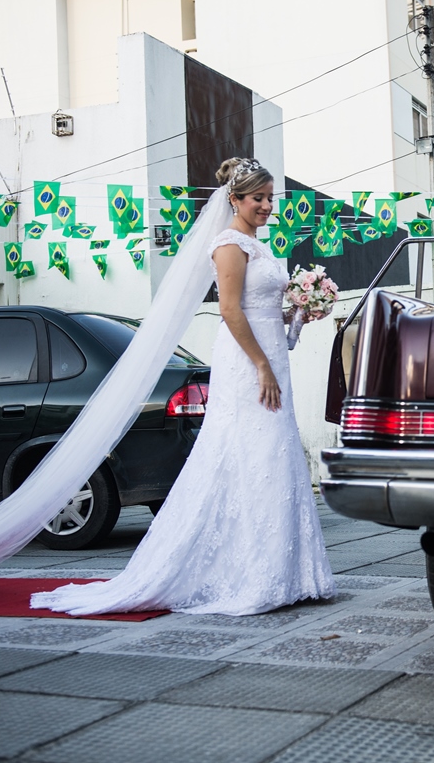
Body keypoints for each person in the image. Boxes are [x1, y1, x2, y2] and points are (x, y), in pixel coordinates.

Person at [31, 158, 335, 615]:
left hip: (272, 361)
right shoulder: (229, 245)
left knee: (275, 456)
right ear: (235, 199)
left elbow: (271, 315)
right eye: (259, 198)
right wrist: (260, 366)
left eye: (271, 198)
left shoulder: (260, 246)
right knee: (251, 456)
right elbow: (231, 311)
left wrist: (301, 312)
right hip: (249, 365)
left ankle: (288, 572)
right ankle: (251, 575)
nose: (268, 206)